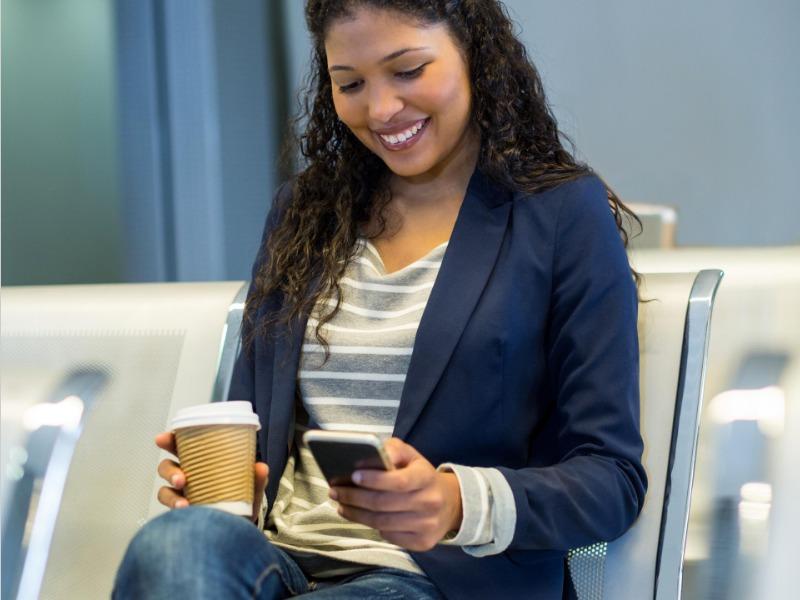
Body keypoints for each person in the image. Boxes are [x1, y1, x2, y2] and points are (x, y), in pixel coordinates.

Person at [113, 0, 647, 598]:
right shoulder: (308, 209)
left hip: (432, 578)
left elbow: (612, 478)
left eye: (409, 70)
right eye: (351, 84)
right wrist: (232, 484)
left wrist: (454, 502)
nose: (381, 109)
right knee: (173, 543)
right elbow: (259, 426)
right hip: (281, 559)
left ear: (474, 51)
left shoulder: (559, 214)